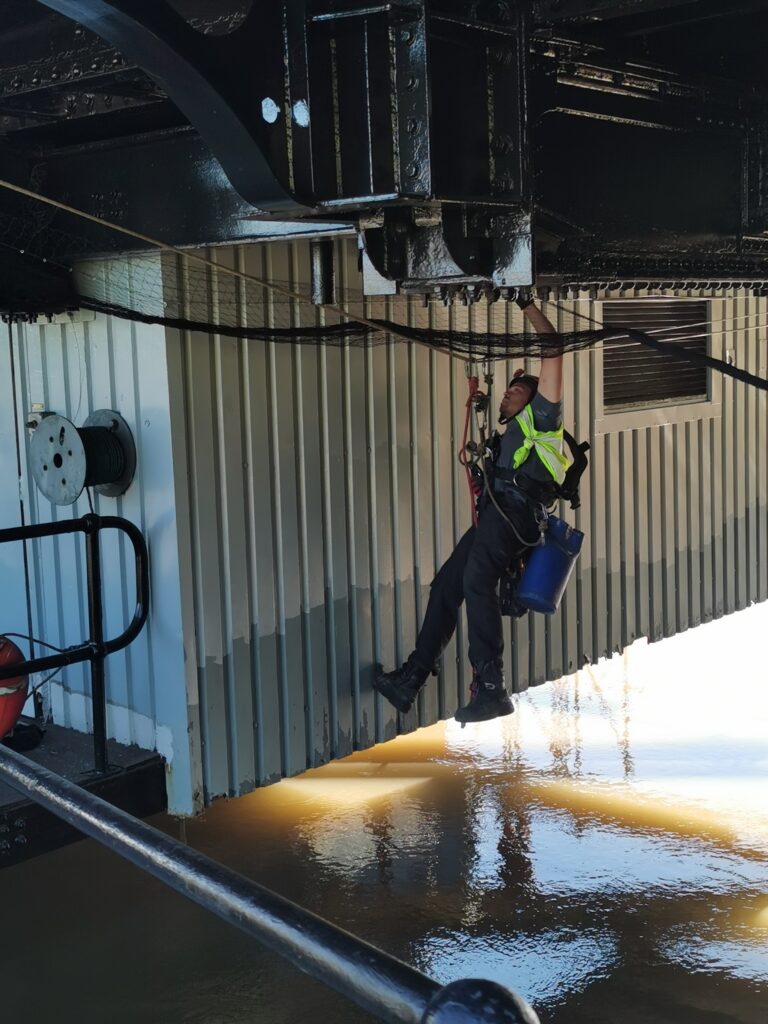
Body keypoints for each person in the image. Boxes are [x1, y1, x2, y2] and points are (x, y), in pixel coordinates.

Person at [373, 296, 566, 723]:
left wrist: (525, 302)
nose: (507, 395)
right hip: (495, 518)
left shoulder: (545, 418)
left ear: (535, 398)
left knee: (478, 580)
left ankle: (492, 687)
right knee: (447, 585)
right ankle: (412, 678)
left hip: (513, 518)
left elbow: (553, 348)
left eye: (517, 390)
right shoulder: (513, 434)